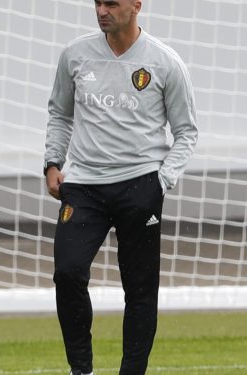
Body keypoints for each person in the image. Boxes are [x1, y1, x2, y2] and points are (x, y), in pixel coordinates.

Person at [43, 1, 198, 374]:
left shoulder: (165, 62)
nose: (102, 11)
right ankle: (81, 369)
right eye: (98, 3)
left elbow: (186, 132)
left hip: (140, 186)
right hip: (83, 186)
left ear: (136, 6)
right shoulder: (75, 55)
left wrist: (162, 180)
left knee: (140, 290)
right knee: (68, 272)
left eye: (111, 3)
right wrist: (52, 163)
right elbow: (60, 113)